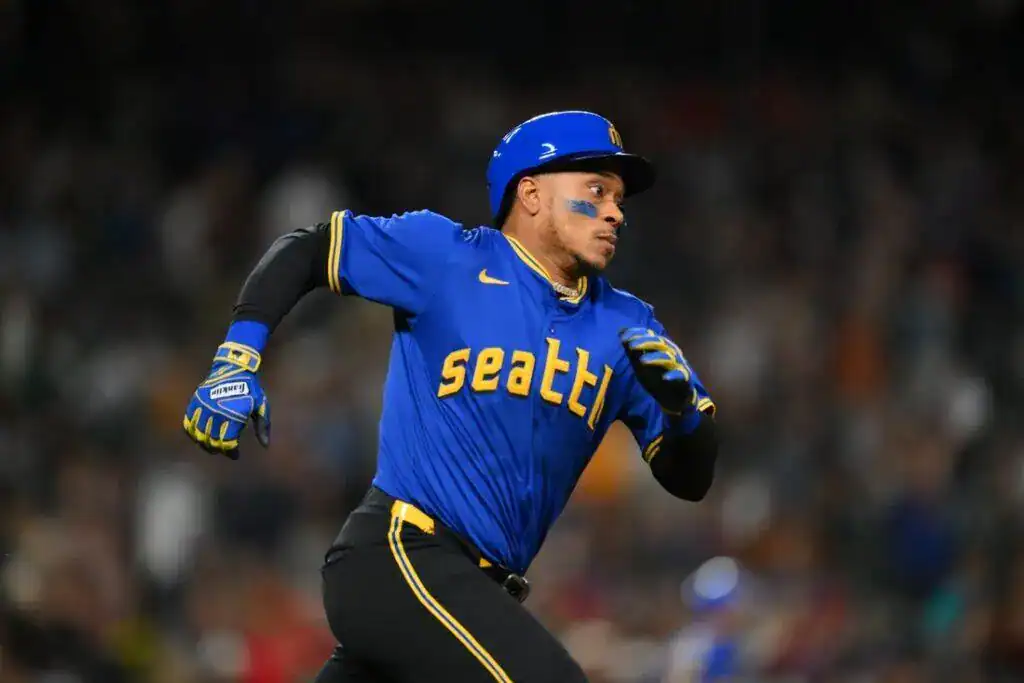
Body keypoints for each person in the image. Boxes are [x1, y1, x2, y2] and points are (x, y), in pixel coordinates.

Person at [182, 110, 720, 682]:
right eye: (596, 190)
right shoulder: (448, 256)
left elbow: (690, 480)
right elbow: (307, 250)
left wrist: (680, 412)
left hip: (470, 597)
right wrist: (237, 355)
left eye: (619, 198)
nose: (615, 211)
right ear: (531, 194)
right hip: (400, 554)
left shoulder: (627, 326)